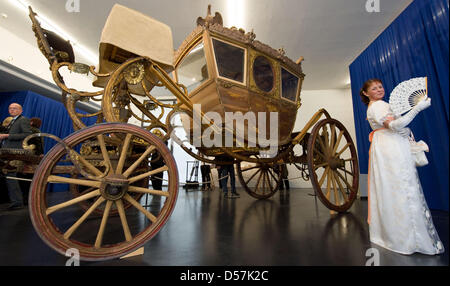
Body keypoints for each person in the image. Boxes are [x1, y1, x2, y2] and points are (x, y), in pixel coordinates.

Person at [360, 78, 444, 255]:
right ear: (366, 93)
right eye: (374, 88)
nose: (379, 89)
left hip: (385, 144)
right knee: (401, 187)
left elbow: (395, 127)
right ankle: (407, 237)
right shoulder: (378, 106)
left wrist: (402, 130)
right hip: (390, 147)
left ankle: (393, 233)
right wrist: (417, 108)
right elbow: (395, 125)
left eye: (380, 86)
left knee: (392, 188)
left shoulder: (378, 106)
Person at [0, 103, 32, 210]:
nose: (12, 110)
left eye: (14, 108)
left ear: (20, 110)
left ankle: (17, 202)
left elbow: (27, 134)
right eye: (10, 108)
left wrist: (7, 136)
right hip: (6, 151)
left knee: (11, 176)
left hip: (14, 152)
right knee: (9, 176)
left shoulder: (23, 120)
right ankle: (16, 201)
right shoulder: (11, 121)